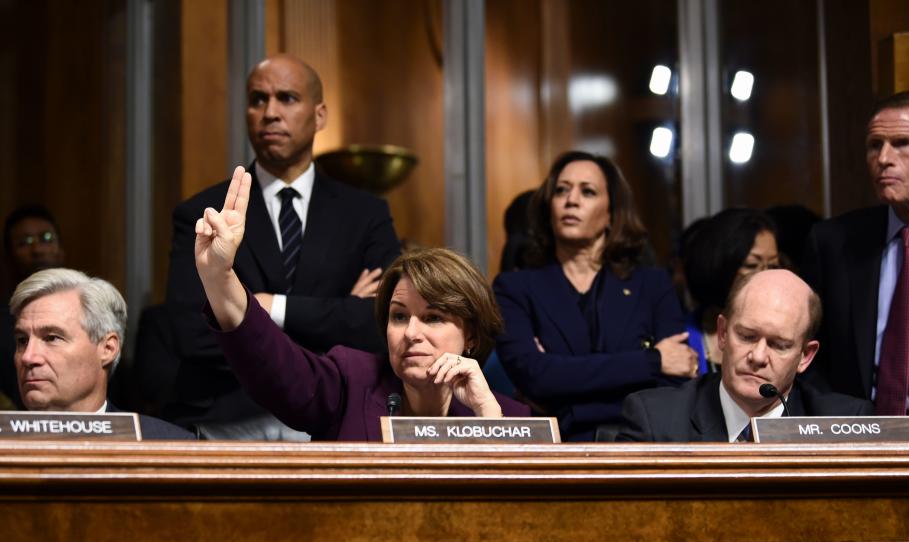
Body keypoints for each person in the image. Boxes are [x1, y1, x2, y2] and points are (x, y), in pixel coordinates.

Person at [163, 54, 401, 439]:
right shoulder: (204, 211)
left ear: (320, 115)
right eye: (258, 99)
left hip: (333, 409)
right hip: (227, 418)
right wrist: (333, 316)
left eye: (287, 98)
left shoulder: (366, 213)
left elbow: (377, 324)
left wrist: (269, 306)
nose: (269, 112)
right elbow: (192, 334)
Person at [194, 167, 529, 440]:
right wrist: (219, 276)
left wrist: (490, 421)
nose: (412, 332)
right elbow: (274, 365)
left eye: (433, 318)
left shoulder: (507, 415)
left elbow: (522, 516)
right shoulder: (350, 383)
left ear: (470, 335)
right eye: (399, 316)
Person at [493, 151, 696, 441]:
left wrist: (563, 382)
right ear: (548, 206)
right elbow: (536, 376)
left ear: (612, 213)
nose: (571, 200)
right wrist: (651, 361)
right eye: (561, 190)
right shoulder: (514, 288)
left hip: (642, 445)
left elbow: (677, 375)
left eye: (587, 192)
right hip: (557, 449)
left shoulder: (652, 284)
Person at [802, 91, 909, 434]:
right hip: (854, 444)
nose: (884, 158)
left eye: (902, 143)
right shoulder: (833, 242)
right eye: (875, 145)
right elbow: (808, 356)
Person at [600, 270, 872, 442]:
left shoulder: (845, 426)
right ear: (722, 334)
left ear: (805, 356)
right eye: (747, 336)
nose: (757, 356)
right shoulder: (654, 420)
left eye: (778, 345)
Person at [10, 268, 195, 440]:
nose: (28, 357)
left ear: (107, 349)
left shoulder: (167, 445)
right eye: (22, 341)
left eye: (52, 338)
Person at [682, 208, 780, 374]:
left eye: (773, 266)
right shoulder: (681, 336)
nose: (766, 276)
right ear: (719, 265)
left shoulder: (783, 336)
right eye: (751, 265)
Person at [0, 205, 67, 409]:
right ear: (8, 257)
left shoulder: (85, 314)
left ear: (61, 250)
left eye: (47, 239)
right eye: (25, 242)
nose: (37, 249)